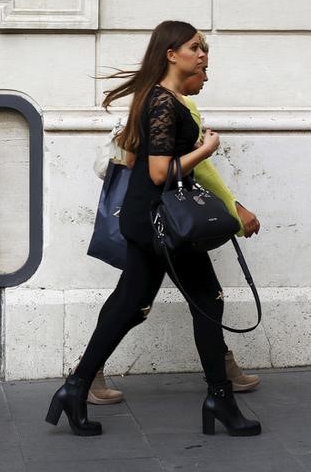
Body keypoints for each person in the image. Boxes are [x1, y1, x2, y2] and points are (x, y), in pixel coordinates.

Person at [45, 21, 261, 436]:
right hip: (161, 222)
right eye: (195, 48)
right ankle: (220, 398)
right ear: (171, 52)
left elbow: (141, 164)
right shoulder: (162, 102)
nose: (203, 55)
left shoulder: (161, 98)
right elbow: (160, 172)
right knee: (208, 300)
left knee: (130, 303)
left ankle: (74, 388)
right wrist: (206, 148)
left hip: (148, 220)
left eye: (205, 50)